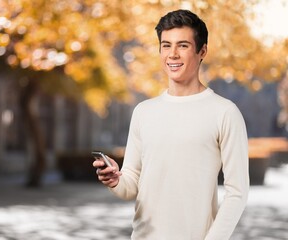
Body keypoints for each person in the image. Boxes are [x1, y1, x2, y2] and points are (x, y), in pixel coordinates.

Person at [93, 9, 249, 240]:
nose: (172, 54)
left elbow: (237, 192)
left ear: (202, 51)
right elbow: (132, 182)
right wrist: (116, 180)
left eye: (183, 45)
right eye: (166, 45)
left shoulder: (225, 112)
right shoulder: (144, 112)